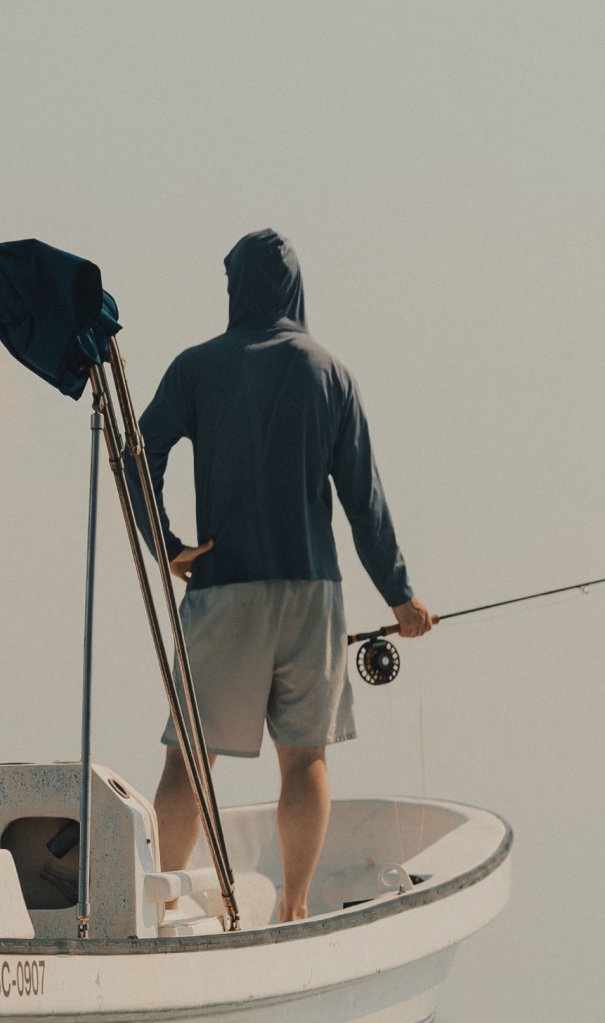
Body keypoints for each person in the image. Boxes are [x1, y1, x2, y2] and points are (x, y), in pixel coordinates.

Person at [135, 228, 433, 922]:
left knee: (189, 759)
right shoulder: (330, 373)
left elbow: (137, 450)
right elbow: (363, 501)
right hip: (311, 593)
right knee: (305, 761)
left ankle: (159, 912)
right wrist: (401, 596)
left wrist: (166, 544)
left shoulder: (195, 367)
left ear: (235, 287)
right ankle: (294, 909)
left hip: (223, 587)